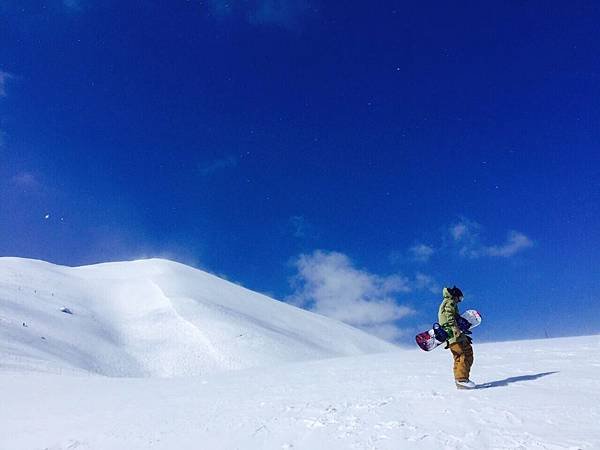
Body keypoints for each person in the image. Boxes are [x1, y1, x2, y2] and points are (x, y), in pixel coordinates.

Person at [438, 286, 475, 389]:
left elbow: (452, 318)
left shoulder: (448, 302)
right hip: (452, 333)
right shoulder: (449, 302)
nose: (460, 301)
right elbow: (449, 316)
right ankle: (461, 380)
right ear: (456, 296)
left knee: (463, 354)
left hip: (452, 334)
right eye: (460, 298)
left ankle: (461, 379)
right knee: (463, 354)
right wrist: (454, 328)